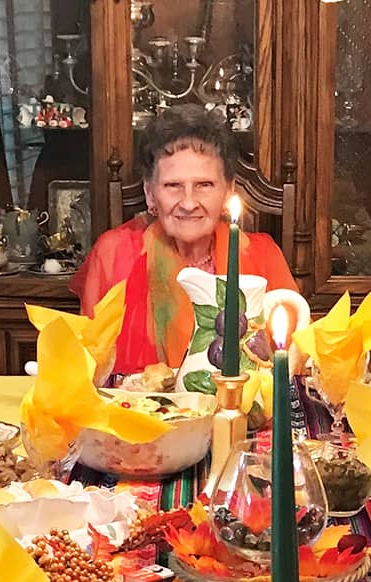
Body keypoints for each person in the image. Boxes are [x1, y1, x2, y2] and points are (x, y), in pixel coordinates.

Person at [72, 104, 293, 377]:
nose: (188, 203)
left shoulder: (262, 255)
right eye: (173, 186)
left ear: (228, 192)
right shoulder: (114, 253)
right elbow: (88, 369)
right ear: (150, 194)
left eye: (204, 185)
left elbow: (291, 367)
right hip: (141, 415)